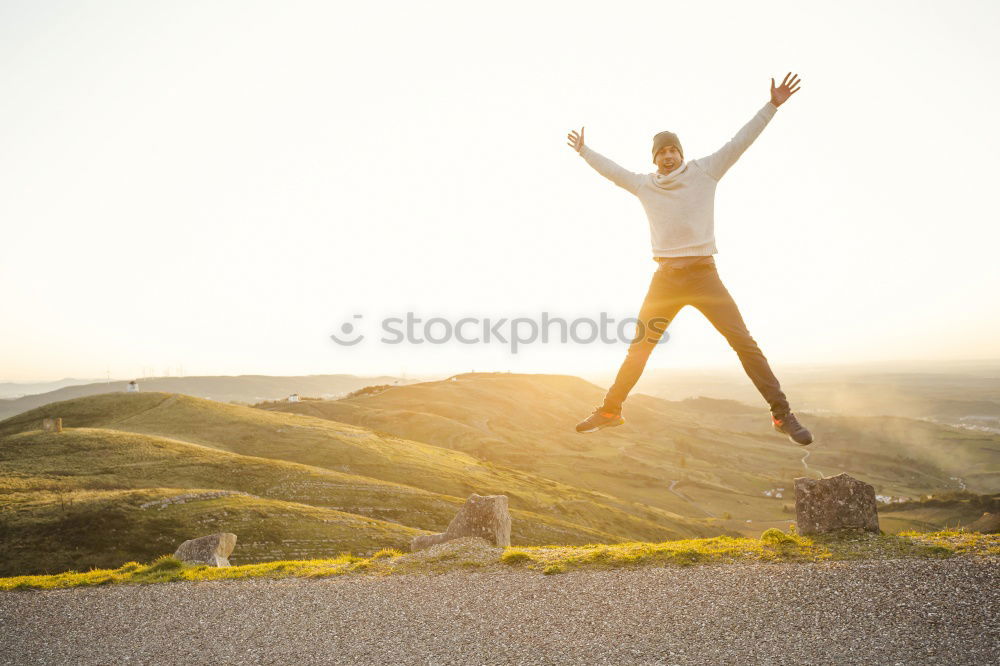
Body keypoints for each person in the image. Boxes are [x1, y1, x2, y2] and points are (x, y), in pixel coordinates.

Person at [566, 72, 812, 446]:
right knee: (640, 346)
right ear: (655, 158)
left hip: (703, 275)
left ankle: (782, 415)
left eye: (672, 150)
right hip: (665, 278)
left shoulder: (705, 171)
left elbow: (740, 141)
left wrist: (772, 106)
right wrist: (585, 151)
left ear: (680, 152)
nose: (667, 156)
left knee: (743, 343)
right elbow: (612, 172)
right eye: (661, 152)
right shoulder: (644, 185)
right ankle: (611, 410)